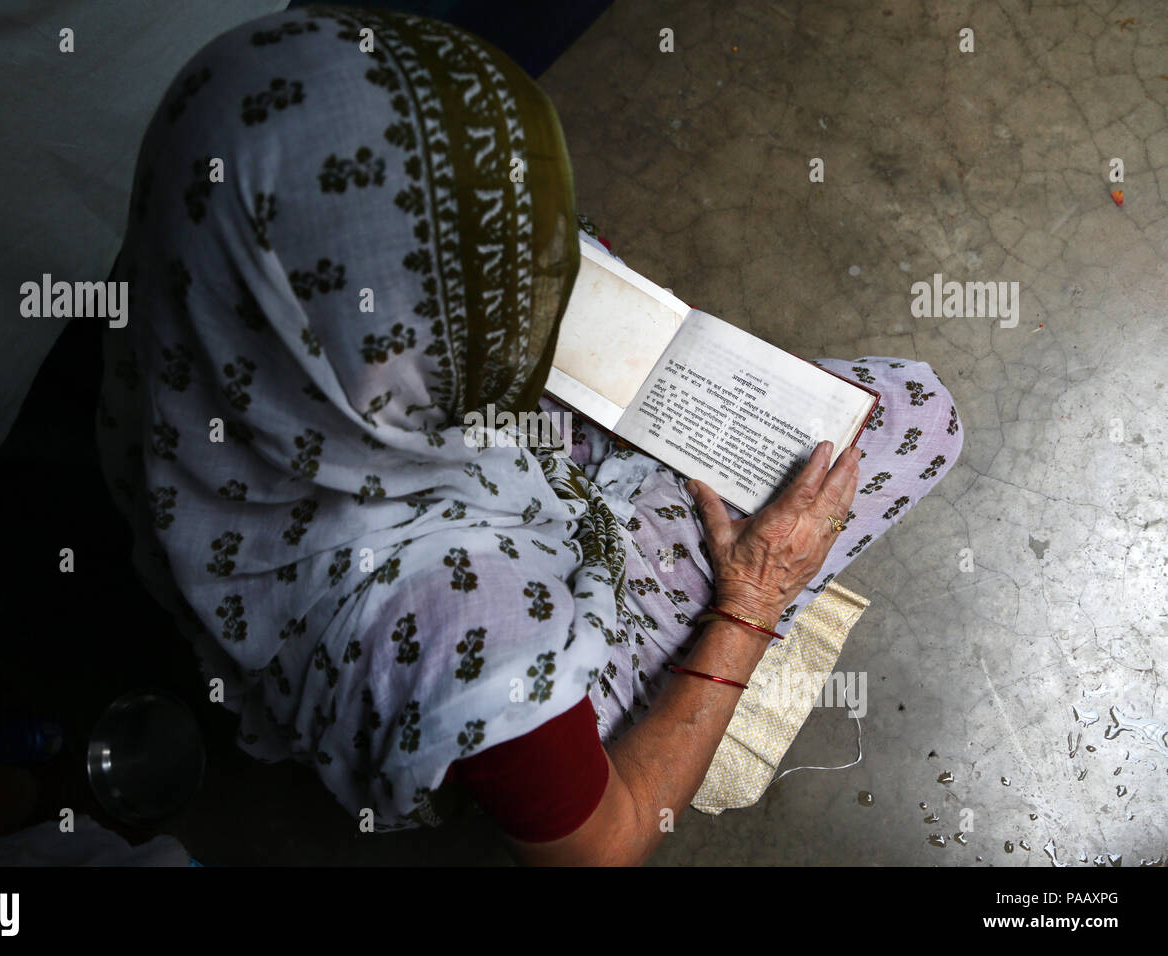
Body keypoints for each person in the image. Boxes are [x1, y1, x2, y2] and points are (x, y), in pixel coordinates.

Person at [96, 6, 963, 865]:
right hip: (449, 593)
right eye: (485, 284)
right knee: (909, 420)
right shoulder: (466, 629)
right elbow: (601, 846)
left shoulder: (218, 190)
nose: (539, 275)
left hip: (335, 504)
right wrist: (754, 600)